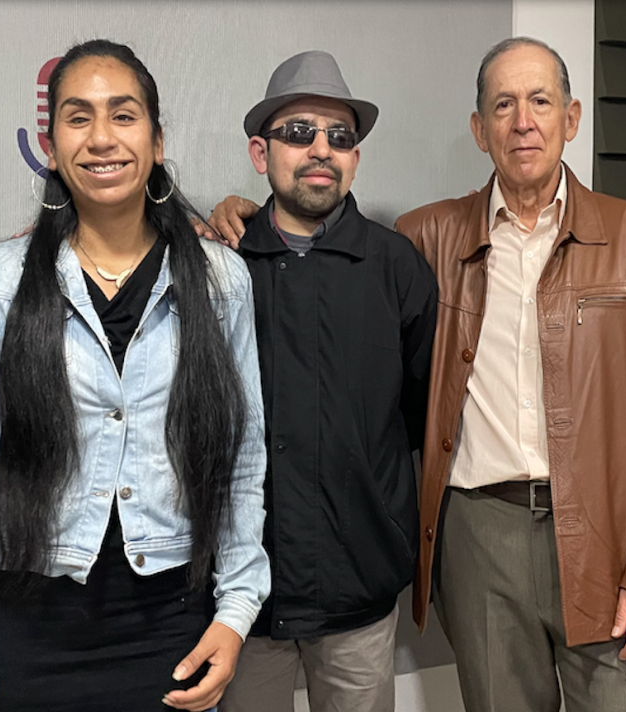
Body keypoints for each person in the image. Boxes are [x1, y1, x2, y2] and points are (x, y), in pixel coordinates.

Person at [208, 36, 626, 712]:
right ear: (479, 129)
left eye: (540, 101)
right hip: (481, 536)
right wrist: (235, 214)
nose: (522, 121)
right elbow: (411, 393)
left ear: (573, 117)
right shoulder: (427, 240)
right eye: (503, 105)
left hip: (606, 535)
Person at [0, 40, 268, 712]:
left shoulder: (222, 283)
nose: (101, 138)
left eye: (123, 116)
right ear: (51, 143)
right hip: (16, 614)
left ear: (156, 140)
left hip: (168, 620)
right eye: (77, 117)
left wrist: (237, 610)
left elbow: (239, 461)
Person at [212, 51, 437, 712]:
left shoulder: (397, 265)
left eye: (340, 137)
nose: (320, 150)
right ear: (261, 152)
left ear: (356, 158)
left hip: (358, 589)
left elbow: (420, 410)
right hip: (241, 596)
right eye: (298, 132)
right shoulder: (221, 266)